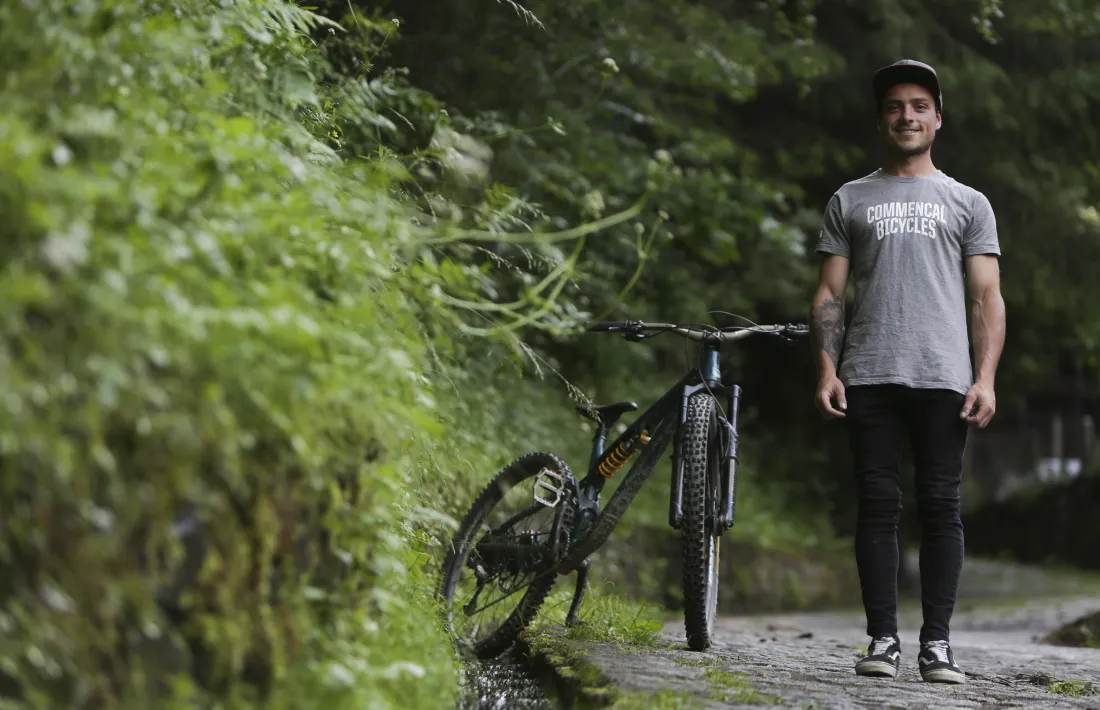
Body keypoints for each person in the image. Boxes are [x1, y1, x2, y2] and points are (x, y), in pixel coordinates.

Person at [810, 59, 1006, 684]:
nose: (907, 116)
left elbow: (986, 299)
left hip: (945, 379)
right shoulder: (850, 198)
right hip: (867, 373)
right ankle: (881, 640)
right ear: (882, 119)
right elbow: (828, 297)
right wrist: (826, 368)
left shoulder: (968, 202)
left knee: (942, 507)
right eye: (896, 106)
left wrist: (986, 378)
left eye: (919, 105)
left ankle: (938, 645)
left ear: (937, 119)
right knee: (877, 506)